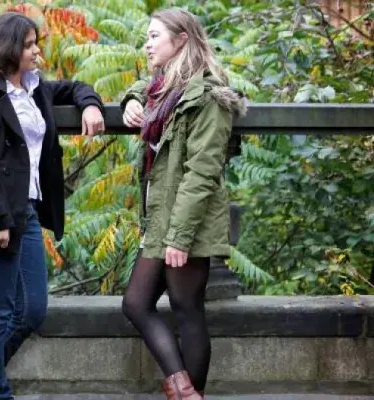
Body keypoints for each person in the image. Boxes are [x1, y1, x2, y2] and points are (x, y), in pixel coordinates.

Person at [0, 11, 106, 400]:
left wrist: (91, 105)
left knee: (32, 311)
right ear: (7, 48)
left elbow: (76, 87)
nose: (36, 52)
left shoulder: (35, 88)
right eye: (29, 45)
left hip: (29, 211)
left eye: (37, 44)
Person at [118, 8, 247, 400]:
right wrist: (131, 98)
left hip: (186, 221)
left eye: (155, 36)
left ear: (182, 40)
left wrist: (180, 237)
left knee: (187, 310)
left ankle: (188, 393)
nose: (147, 44)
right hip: (161, 217)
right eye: (147, 37)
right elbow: (147, 86)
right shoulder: (162, 89)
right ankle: (186, 391)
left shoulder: (209, 97)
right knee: (136, 303)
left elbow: (201, 173)